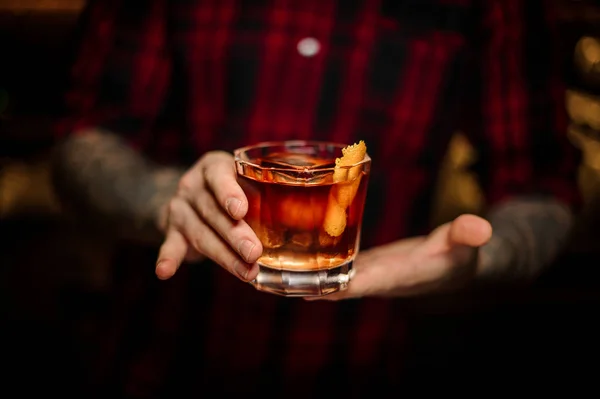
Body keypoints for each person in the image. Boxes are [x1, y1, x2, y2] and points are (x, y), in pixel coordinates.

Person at [51, 0, 581, 396]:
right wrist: (163, 200)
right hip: (154, 359)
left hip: (365, 364)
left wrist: (480, 258)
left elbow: (543, 186)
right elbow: (80, 141)